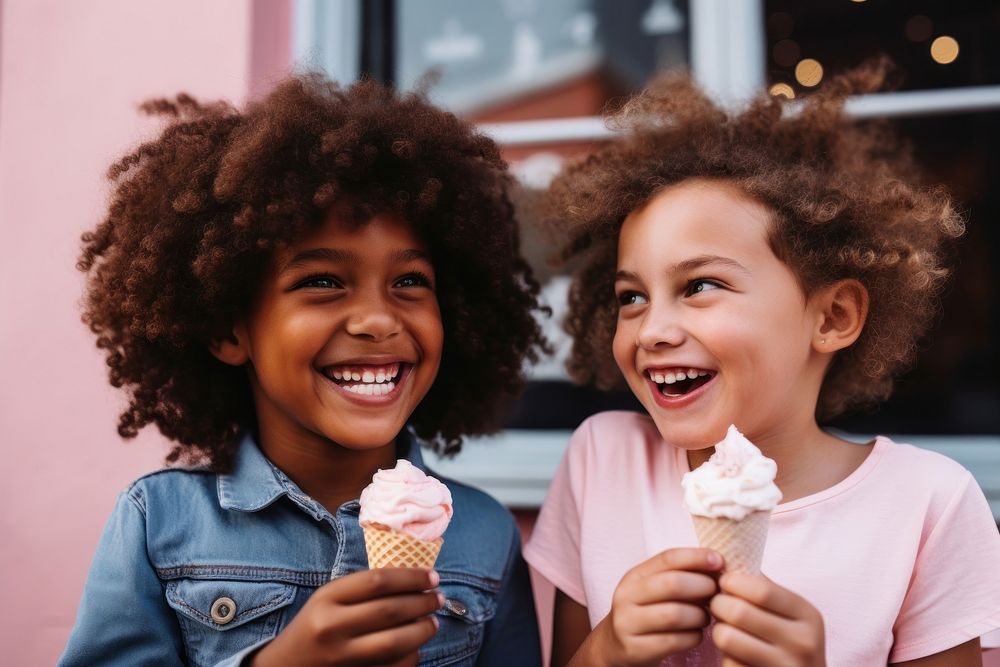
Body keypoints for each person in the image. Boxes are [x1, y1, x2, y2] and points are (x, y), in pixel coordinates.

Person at [61, 73, 546, 667]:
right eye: (322, 282)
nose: (377, 319)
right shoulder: (158, 524)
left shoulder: (484, 536)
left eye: (409, 282)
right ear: (227, 329)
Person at [525, 61, 1000, 666]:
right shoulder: (601, 460)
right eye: (632, 297)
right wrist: (606, 649)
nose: (653, 330)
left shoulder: (930, 505)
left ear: (831, 318)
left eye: (699, 286)